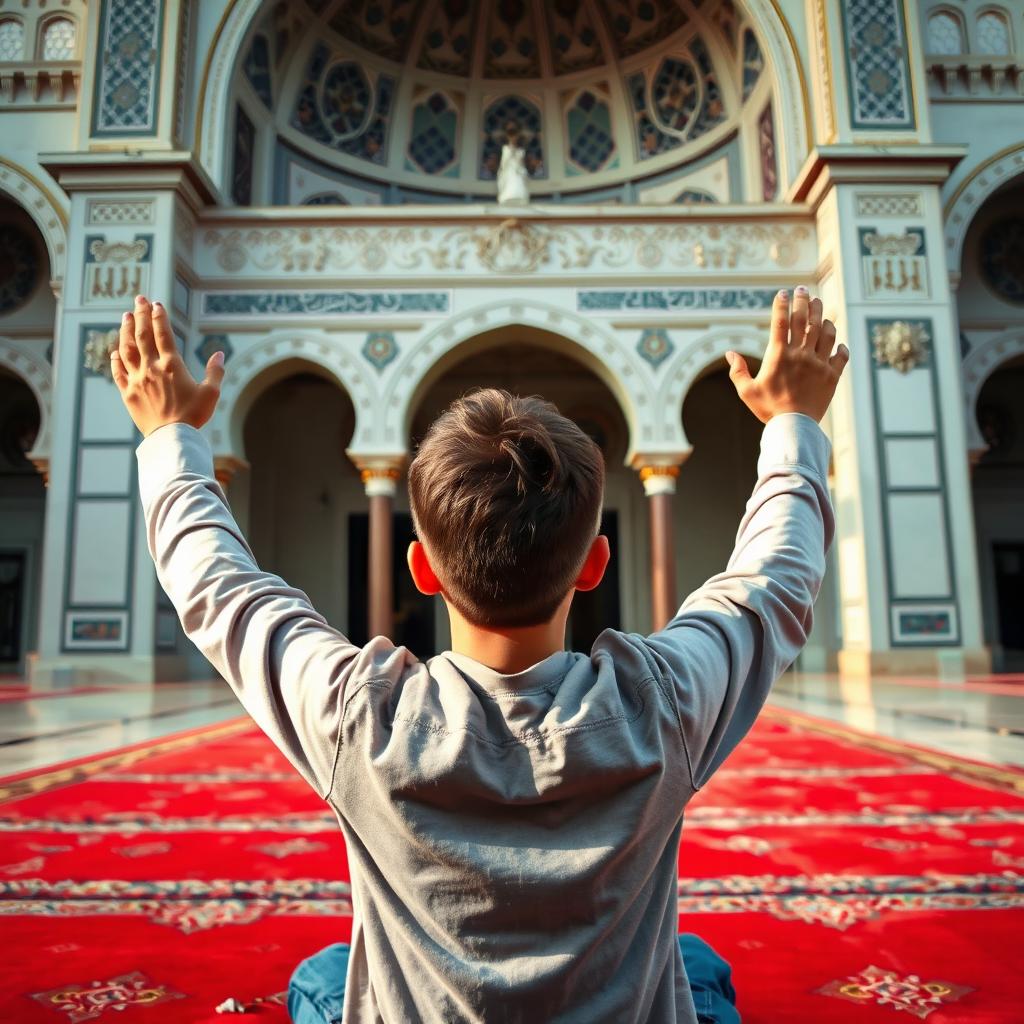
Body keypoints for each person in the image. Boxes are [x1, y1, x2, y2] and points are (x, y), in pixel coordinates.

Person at [112, 287, 848, 1023]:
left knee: (325, 976)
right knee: (697, 967)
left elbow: (220, 588)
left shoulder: (362, 719)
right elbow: (774, 580)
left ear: (420, 571)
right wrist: (794, 423)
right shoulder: (657, 705)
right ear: (595, 565)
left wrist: (170, 434)